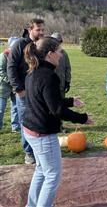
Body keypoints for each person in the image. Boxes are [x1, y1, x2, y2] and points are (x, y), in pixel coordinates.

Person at [22, 36, 93, 207]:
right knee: (53, 175)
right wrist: (83, 118)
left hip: (30, 130)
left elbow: (45, 99)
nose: (61, 55)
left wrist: (69, 101)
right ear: (50, 54)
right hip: (42, 134)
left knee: (41, 170)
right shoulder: (48, 76)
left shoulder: (34, 71)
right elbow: (57, 110)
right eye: (60, 51)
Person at [7, 18, 45, 164]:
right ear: (30, 30)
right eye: (38, 30)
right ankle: (29, 152)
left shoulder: (40, 46)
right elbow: (11, 68)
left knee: (38, 119)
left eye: (42, 29)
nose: (41, 32)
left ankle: (38, 149)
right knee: (25, 122)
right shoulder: (19, 45)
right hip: (23, 92)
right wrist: (18, 89)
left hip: (37, 91)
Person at [0, 37, 20, 132]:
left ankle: (15, 127)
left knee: (16, 107)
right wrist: (11, 81)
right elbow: (1, 72)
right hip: (3, 87)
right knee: (1, 109)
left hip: (15, 86)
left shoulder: (19, 56)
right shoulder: (3, 56)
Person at [51, 33, 71, 98]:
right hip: (50, 85)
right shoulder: (46, 53)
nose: (57, 43)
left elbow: (67, 68)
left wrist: (67, 82)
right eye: (55, 41)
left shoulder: (64, 54)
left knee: (61, 104)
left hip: (61, 85)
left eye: (59, 41)